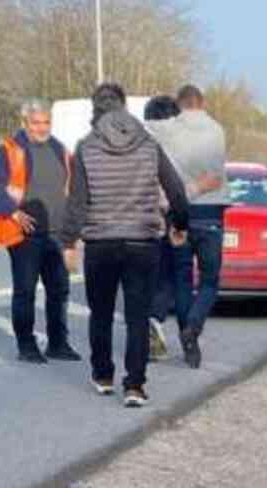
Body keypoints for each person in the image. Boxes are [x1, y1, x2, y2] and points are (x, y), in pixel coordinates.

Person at [59, 83, 190, 407]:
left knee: (100, 314)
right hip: (143, 242)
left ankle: (103, 375)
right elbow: (176, 190)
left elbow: (77, 202)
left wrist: (68, 241)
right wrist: (179, 224)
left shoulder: (86, 147)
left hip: (101, 243)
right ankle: (134, 386)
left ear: (95, 110)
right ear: (124, 107)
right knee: (137, 316)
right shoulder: (148, 144)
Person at [0, 99, 81, 364]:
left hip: (57, 233)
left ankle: (58, 344)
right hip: (24, 234)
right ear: (24, 123)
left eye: (46, 122)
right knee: (25, 291)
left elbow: (76, 187)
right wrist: (12, 211)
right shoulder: (10, 150)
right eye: (36, 123)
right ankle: (27, 346)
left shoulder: (60, 149)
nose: (41, 128)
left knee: (59, 290)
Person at [142, 94, 222, 361]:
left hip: (151, 221)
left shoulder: (143, 143)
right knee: (184, 277)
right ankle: (188, 334)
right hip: (182, 216)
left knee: (169, 276)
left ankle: (155, 321)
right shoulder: (185, 143)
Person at [162, 84, 229, 369]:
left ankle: (187, 340)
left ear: (179, 105)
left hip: (179, 212)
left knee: (182, 277)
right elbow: (214, 176)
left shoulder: (167, 130)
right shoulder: (215, 130)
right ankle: (193, 327)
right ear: (201, 103)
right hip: (211, 213)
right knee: (210, 279)